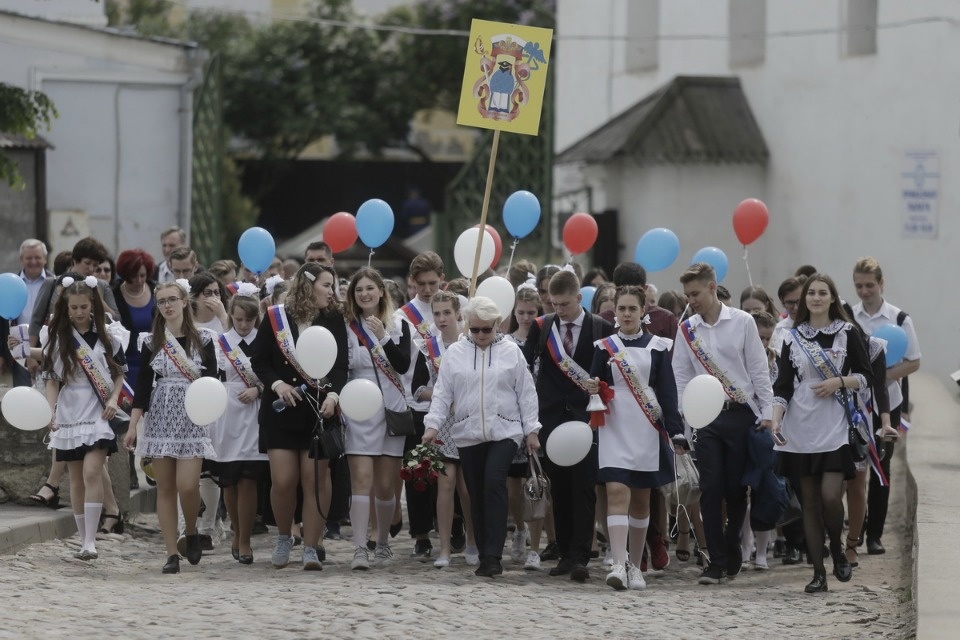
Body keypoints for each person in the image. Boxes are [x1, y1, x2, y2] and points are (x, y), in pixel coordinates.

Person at [423, 296, 542, 577]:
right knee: (475, 493)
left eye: (486, 330)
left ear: (496, 325)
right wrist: (433, 426)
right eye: (474, 330)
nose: (480, 335)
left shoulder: (512, 351)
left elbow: (526, 393)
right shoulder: (455, 353)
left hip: (505, 430)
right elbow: (442, 393)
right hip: (468, 431)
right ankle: (484, 548)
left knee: (493, 482)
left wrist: (532, 430)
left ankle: (492, 556)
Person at [672, 262, 774, 585]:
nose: (692, 300)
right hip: (706, 417)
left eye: (696, 293)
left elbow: (758, 370)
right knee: (710, 488)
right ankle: (714, 562)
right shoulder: (687, 329)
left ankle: (731, 549)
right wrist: (684, 422)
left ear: (713, 288)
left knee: (735, 490)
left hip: (740, 412)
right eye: (687, 295)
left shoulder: (743, 322)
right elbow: (681, 376)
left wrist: (767, 412)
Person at [770, 273, 873, 593]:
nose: (815, 297)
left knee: (830, 495)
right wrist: (775, 421)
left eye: (822, 292)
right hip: (800, 427)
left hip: (835, 425)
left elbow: (866, 377)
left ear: (832, 298)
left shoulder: (848, 333)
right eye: (810, 293)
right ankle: (818, 573)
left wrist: (839, 382)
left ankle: (839, 550)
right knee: (809, 504)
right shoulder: (791, 336)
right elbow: (782, 386)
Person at [252, 263, 348, 570]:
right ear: (308, 285)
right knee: (283, 480)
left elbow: (340, 364)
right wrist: (277, 384)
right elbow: (260, 360)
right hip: (282, 409)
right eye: (326, 285)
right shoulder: (276, 317)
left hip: (319, 410)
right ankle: (284, 535)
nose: (332, 292)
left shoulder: (333, 318)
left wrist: (334, 395)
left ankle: (311, 545)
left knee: (315, 480)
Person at [589, 285, 682, 591]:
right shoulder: (604, 346)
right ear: (614, 312)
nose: (626, 314)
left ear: (643, 311)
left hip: (646, 425)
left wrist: (675, 428)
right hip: (614, 424)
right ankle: (617, 562)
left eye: (632, 308)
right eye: (621, 308)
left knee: (642, 500)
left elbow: (667, 391)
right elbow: (593, 386)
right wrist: (592, 391)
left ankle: (635, 564)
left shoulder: (658, 346)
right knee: (616, 490)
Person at [524, 269, 615, 583]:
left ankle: (581, 556)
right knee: (559, 488)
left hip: (586, 419)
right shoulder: (543, 326)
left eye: (564, 304)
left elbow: (610, 374)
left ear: (579, 297)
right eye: (553, 303)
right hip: (551, 418)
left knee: (584, 487)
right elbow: (529, 369)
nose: (558, 310)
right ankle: (563, 552)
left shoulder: (601, 327)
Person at [123, 280, 219, 574]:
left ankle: (190, 531)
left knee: (188, 485)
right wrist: (133, 425)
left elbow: (213, 383)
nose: (167, 305)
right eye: (162, 301)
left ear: (184, 301)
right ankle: (170, 553)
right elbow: (141, 387)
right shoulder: (151, 341)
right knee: (165, 488)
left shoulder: (204, 339)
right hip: (161, 414)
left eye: (172, 299)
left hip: (193, 415)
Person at [43, 276, 127, 560]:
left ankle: (91, 540)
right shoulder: (58, 340)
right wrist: (50, 412)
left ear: (93, 305)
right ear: (66, 309)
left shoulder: (108, 336)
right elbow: (52, 381)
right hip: (69, 410)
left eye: (83, 306)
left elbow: (118, 374)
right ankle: (83, 539)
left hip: (99, 408)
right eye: (73, 307)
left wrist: (114, 399)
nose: (79, 312)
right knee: (76, 478)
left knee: (93, 471)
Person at [342, 267, 411, 570]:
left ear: (381, 291)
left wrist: (383, 337)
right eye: (359, 290)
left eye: (370, 288)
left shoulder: (399, 324)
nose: (365, 294)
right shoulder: (345, 326)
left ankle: (382, 541)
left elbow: (404, 365)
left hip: (391, 408)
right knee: (361, 479)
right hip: (357, 408)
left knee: (385, 484)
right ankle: (359, 548)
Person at [850, 257, 920, 556]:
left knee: (881, 468)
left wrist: (880, 377)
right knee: (853, 469)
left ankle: (874, 534)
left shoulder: (899, 319)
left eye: (869, 285)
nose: (864, 291)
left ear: (881, 284)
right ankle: (854, 527)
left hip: (886, 405)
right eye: (858, 286)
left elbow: (914, 361)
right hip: (854, 406)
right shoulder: (849, 317)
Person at [409, 291, 478, 568]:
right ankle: (445, 549)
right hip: (442, 424)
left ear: (458, 314)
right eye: (436, 314)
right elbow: (417, 389)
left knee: (467, 487)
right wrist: (442, 393)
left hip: (469, 422)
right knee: (446, 484)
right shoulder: (428, 348)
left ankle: (473, 542)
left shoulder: (472, 343)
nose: (441, 318)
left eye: (446, 313)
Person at [212, 287, 269, 564]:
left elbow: (272, 375)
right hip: (227, 414)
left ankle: (244, 538)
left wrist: (258, 390)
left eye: (248, 320)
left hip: (255, 413)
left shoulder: (264, 341)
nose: (244, 325)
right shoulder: (220, 342)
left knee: (249, 478)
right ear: (231, 317)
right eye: (238, 320)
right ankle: (236, 531)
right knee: (230, 481)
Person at [396, 251, 445, 560]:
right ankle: (420, 534)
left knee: (448, 472)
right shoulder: (402, 316)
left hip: (451, 404)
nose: (428, 290)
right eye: (422, 284)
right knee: (417, 471)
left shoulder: (455, 307)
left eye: (433, 283)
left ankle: (451, 526)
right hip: (417, 400)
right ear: (412, 282)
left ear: (442, 279)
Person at [113, 249, 157, 492]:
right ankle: (129, 467)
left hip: (152, 363)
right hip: (126, 365)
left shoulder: (157, 290)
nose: (138, 281)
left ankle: (152, 467)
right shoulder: (114, 293)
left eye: (142, 275)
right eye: (132, 277)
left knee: (152, 418)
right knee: (129, 417)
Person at [13, 239, 54, 387]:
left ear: (45, 259)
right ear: (21, 259)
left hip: (46, 346)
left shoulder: (54, 283)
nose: (33, 262)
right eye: (29, 258)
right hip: (17, 344)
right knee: (20, 389)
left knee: (46, 392)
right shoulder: (12, 284)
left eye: (37, 257)